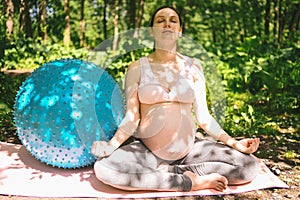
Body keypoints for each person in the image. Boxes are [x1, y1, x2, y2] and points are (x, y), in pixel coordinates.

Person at [91, 6, 260, 192]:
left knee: (248, 166)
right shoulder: (136, 68)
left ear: (180, 31)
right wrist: (111, 145)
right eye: (160, 20)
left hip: (190, 150)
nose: (167, 24)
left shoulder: (194, 66)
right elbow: (132, 118)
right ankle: (189, 182)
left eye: (173, 20)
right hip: (148, 151)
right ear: (151, 31)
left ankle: (172, 172)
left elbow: (204, 118)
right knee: (105, 169)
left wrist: (234, 143)